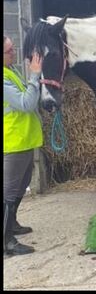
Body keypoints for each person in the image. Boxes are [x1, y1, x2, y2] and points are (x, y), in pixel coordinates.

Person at [3, 36, 43, 257]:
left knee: (21, 186)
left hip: (24, 139)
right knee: (8, 193)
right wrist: (35, 75)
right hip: (13, 141)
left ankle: (12, 224)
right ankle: (7, 241)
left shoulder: (11, 71)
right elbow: (27, 104)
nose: (14, 53)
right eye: (9, 51)